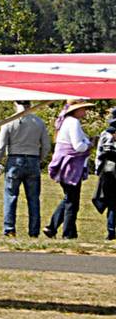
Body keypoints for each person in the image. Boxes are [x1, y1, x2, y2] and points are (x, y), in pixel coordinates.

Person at [0, 102, 51, 237]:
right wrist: (39, 159)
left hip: (14, 159)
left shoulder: (9, 121)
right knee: (33, 198)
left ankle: (9, 229)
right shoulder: (39, 122)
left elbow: (1, 145)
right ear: (30, 104)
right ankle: (34, 231)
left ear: (15, 104)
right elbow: (46, 146)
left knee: (10, 196)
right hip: (33, 159)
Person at [44, 101, 95, 239]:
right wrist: (90, 145)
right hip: (71, 166)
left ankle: (52, 227)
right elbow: (78, 146)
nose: (85, 111)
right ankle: (68, 234)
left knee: (69, 199)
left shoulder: (66, 121)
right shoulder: (73, 123)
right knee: (72, 202)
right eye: (83, 108)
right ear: (75, 110)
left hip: (65, 165)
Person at [91, 108, 116, 240]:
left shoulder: (105, 133)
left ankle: (111, 230)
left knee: (112, 201)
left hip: (108, 171)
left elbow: (99, 155)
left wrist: (97, 170)